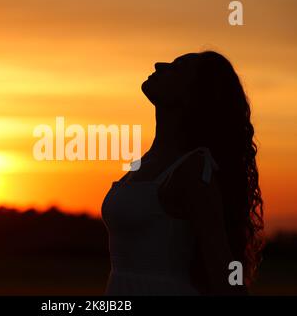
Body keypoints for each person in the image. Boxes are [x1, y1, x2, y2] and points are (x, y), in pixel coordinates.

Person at [101, 51, 264, 295]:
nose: (159, 64)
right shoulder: (146, 162)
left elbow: (223, 273)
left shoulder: (193, 170)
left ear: (194, 95)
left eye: (177, 68)